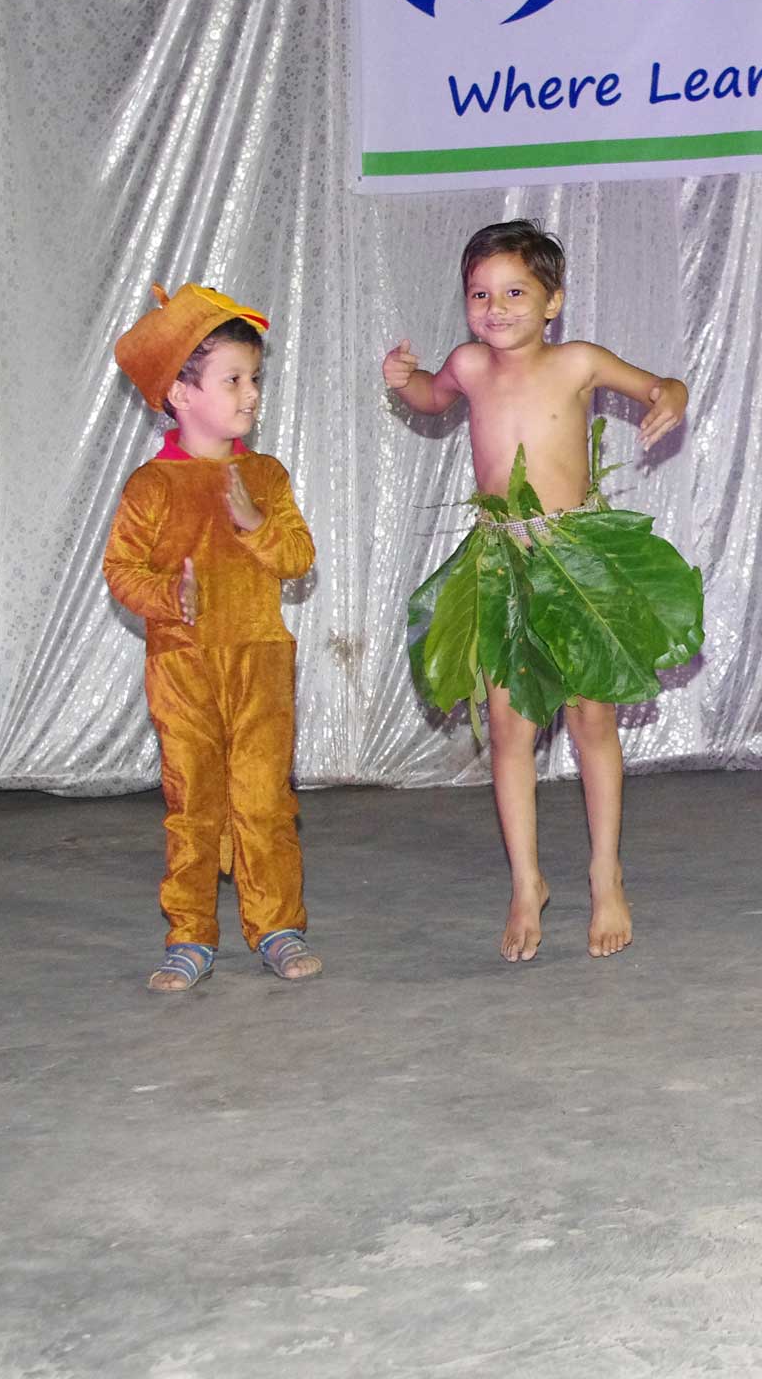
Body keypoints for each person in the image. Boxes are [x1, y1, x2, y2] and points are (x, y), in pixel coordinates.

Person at [383, 220, 701, 962]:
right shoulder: (468, 365)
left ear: (552, 302)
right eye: (480, 295)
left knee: (593, 721)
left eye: (515, 293)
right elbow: (432, 398)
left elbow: (658, 384)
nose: (496, 308)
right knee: (508, 730)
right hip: (502, 568)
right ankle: (526, 883)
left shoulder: (577, 362)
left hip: (578, 567)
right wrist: (405, 380)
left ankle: (605, 872)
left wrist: (673, 396)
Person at [104, 283, 319, 989]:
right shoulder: (151, 487)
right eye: (233, 380)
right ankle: (190, 933)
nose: (251, 394)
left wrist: (257, 526)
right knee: (193, 804)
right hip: (184, 667)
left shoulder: (265, 476)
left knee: (264, 799)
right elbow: (121, 571)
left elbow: (298, 557)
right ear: (180, 393)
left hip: (261, 662)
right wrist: (170, 597)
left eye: (254, 378)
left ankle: (277, 925)